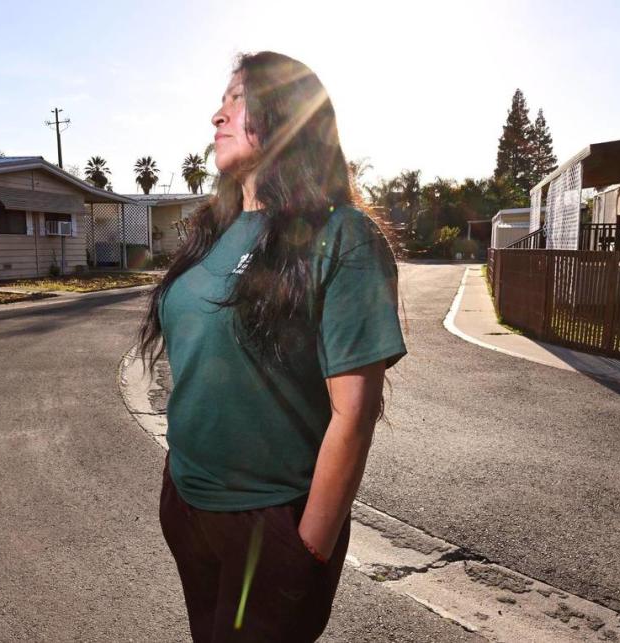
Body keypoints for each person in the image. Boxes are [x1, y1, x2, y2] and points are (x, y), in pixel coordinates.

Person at [138, 51, 407, 642]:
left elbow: (353, 416)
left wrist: (307, 547)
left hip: (273, 522)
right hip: (189, 502)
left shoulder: (342, 236)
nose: (217, 114)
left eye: (237, 98)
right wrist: (179, 488)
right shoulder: (214, 230)